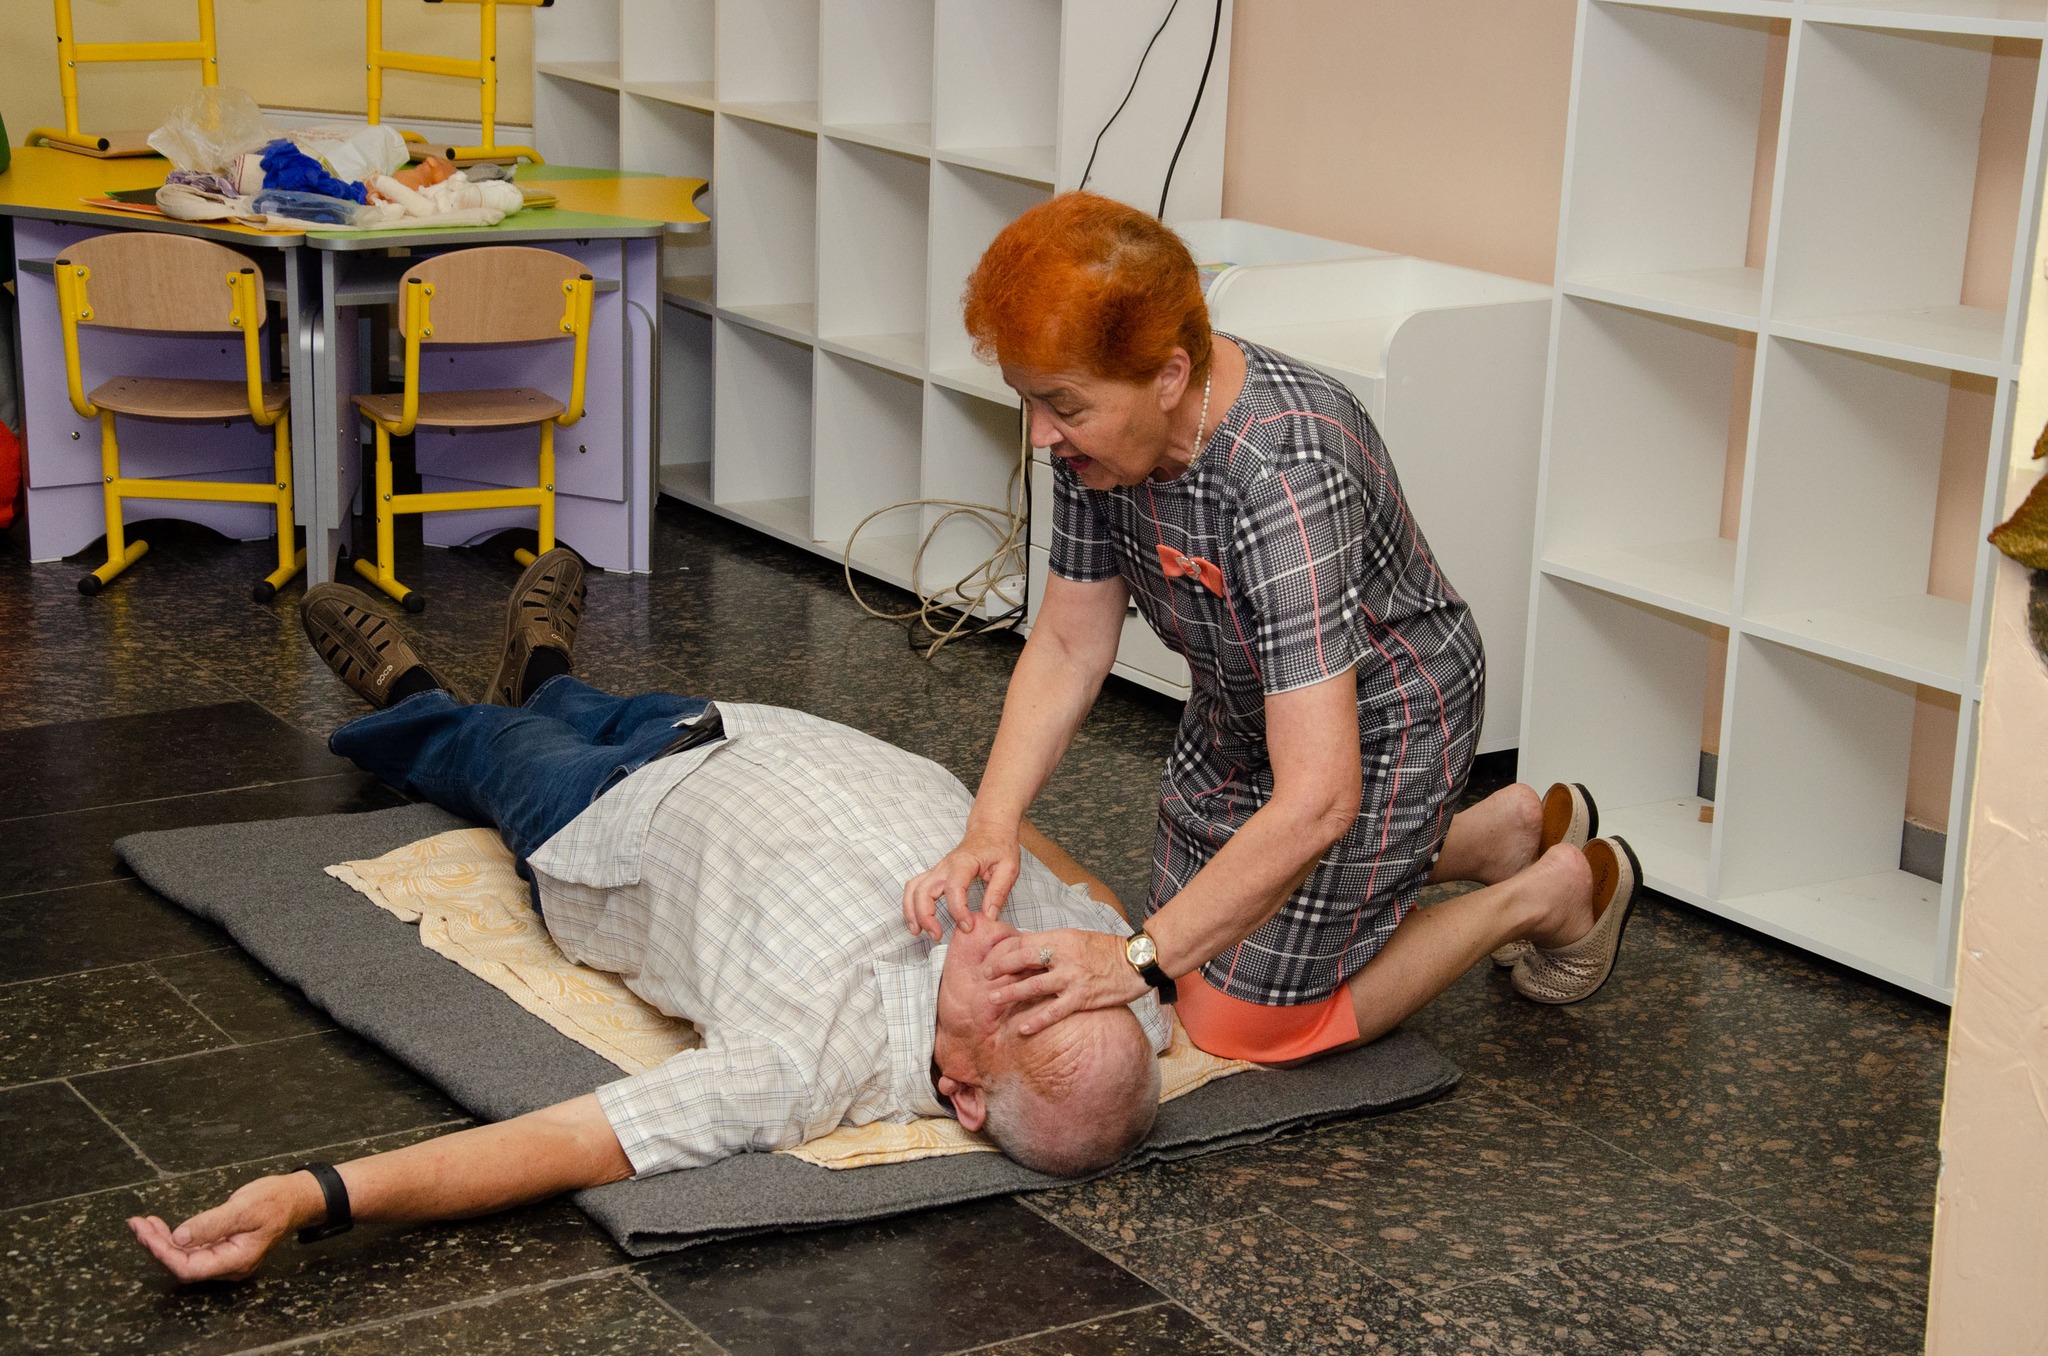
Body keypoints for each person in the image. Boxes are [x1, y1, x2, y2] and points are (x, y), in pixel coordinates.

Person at [129, 551, 1166, 1284]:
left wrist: (311, 1197)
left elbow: (570, 1139)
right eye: (1062, 972)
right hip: (735, 728)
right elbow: (1110, 911)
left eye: (1019, 999)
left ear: (963, 1096)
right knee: (582, 705)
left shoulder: (804, 1065)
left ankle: (411, 692)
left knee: (479, 748)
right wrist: (999, 828)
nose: (1027, 952)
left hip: (605, 820)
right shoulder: (1115, 997)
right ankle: (546, 672)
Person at [903, 193, 1641, 1067]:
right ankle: (1498, 836)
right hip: (1249, 711)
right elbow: (1069, 643)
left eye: (1060, 405)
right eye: (1029, 401)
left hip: (1388, 720)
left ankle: (1544, 894)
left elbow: (1319, 798)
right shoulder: (1095, 434)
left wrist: (1135, 960)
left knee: (1233, 1019)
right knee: (1191, 951)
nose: (1041, 435)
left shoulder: (1286, 471)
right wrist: (991, 824)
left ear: (1169, 376)